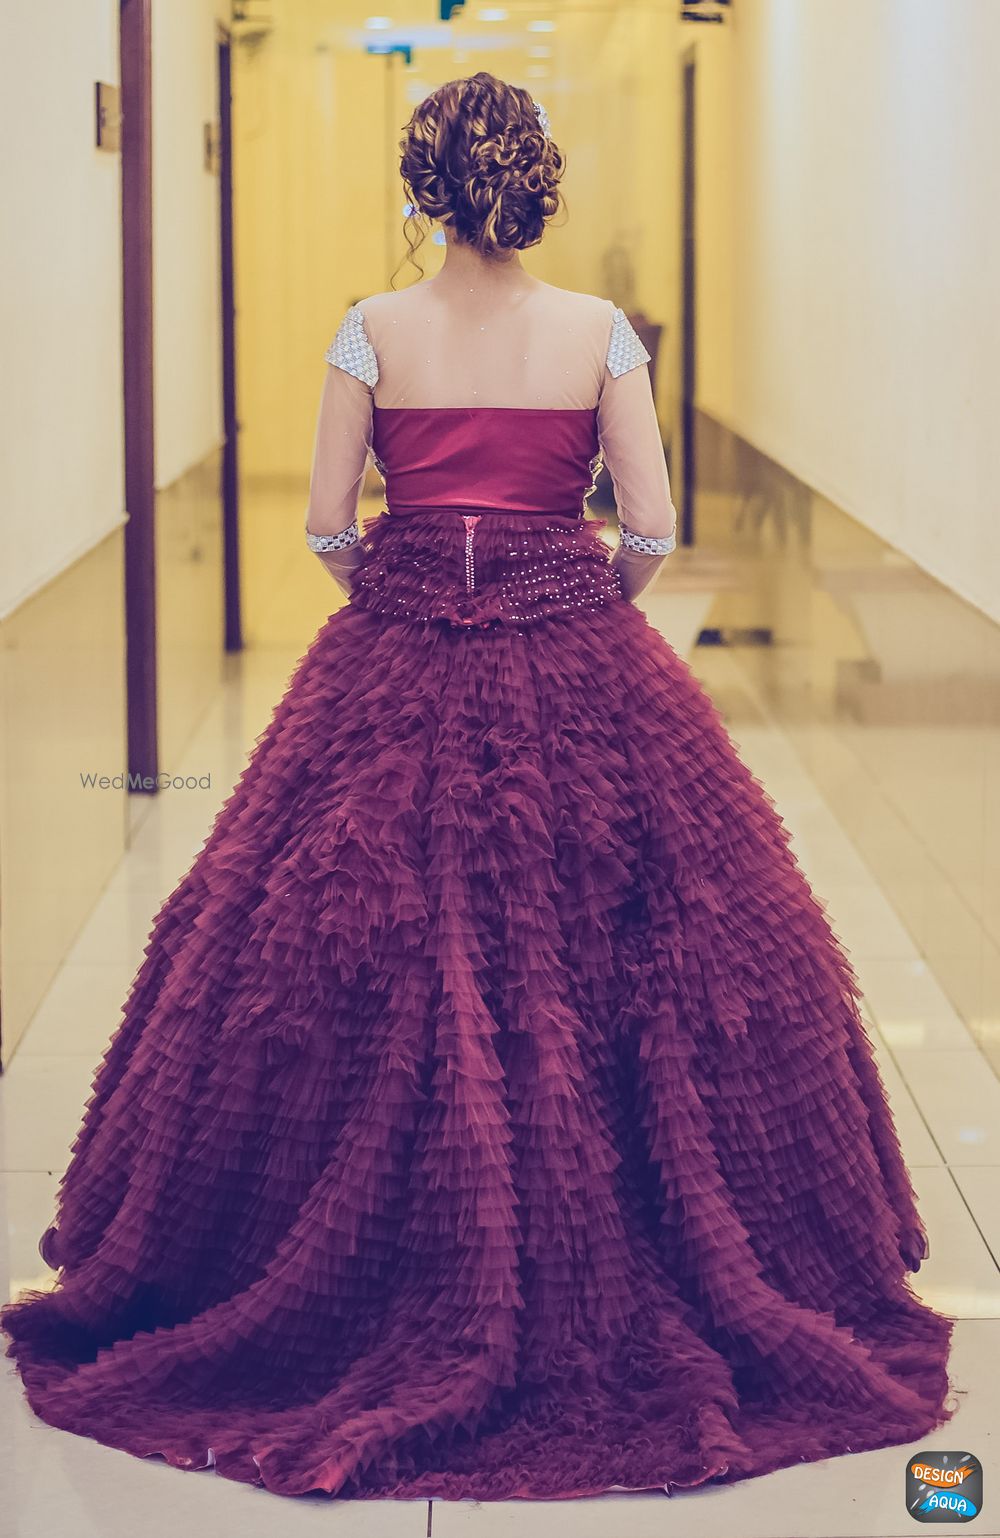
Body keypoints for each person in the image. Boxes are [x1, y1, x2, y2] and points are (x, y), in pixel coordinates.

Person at [1, 70, 954, 1502]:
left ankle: (363, 1271)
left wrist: (398, 570)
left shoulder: (368, 329)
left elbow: (328, 522)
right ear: (539, 187)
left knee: (319, 946)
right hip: (579, 646)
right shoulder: (598, 336)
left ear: (422, 189)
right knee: (636, 956)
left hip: (390, 654)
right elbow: (652, 522)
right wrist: (582, 585)